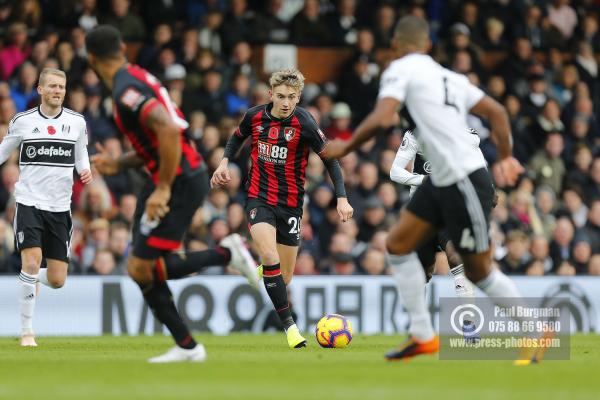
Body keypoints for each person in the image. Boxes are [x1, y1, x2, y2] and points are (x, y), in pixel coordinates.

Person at [323, 16, 545, 365]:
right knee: (396, 245)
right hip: (441, 180)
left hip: (463, 178)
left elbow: (383, 118)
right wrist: (504, 157)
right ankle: (423, 336)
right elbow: (497, 112)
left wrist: (344, 147)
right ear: (428, 45)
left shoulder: (399, 70)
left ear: (395, 45)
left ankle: (534, 332)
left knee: (477, 270)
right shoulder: (451, 77)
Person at [85, 25, 258, 363]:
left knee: (140, 268)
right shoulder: (137, 75)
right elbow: (159, 136)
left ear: (91, 58)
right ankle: (187, 346)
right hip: (172, 174)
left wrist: (163, 187)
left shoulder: (125, 90)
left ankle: (225, 257)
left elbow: (166, 128)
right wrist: (119, 164)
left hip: (178, 179)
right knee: (141, 267)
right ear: (122, 46)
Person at [211, 68, 353, 349]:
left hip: (291, 205)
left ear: (298, 97)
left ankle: (250, 266)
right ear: (270, 95)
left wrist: (342, 197)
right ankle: (290, 328)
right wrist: (225, 161)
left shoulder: (306, 123)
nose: (286, 102)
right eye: (280, 96)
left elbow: (331, 161)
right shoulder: (254, 116)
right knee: (269, 253)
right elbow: (237, 137)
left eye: (291, 97)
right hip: (258, 197)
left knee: (283, 277)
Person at [0, 68, 93, 347]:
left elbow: (81, 152)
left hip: (60, 208)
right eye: (52, 86)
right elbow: (3, 152)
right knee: (30, 260)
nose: (58, 91)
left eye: (61, 87)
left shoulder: (76, 122)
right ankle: (27, 331)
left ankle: (28, 279)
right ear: (40, 89)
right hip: (29, 202)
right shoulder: (23, 121)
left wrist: (85, 170)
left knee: (57, 279)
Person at [390, 128, 480, 340]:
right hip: (423, 212)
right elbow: (395, 171)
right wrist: (425, 181)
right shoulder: (415, 134)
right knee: (422, 273)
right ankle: (421, 329)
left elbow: (480, 166)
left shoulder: (467, 134)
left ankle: (470, 326)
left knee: (457, 258)